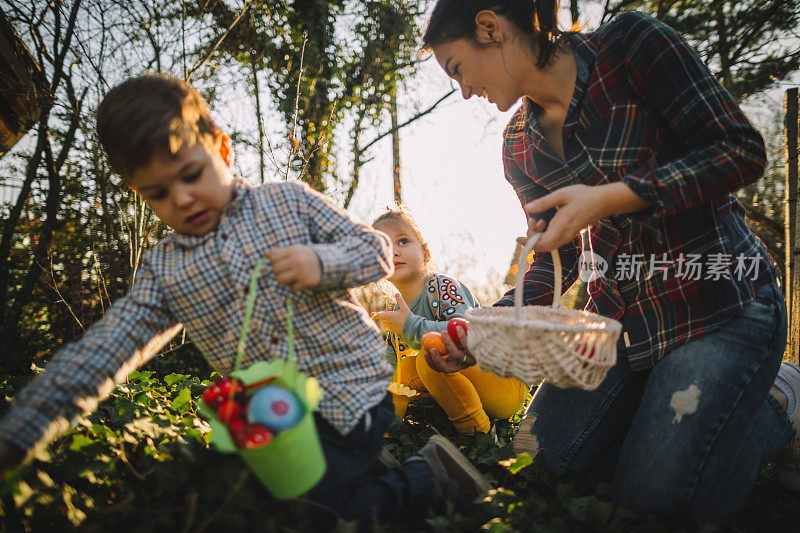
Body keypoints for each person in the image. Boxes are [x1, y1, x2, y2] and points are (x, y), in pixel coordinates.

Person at [0, 74, 491, 528]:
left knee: (309, 516)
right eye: (159, 193)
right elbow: (105, 350)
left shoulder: (286, 203)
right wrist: (21, 431)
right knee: (255, 497)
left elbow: (375, 250)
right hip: (272, 414)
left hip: (350, 391)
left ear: (222, 149)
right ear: (139, 193)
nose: (184, 198)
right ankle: (356, 473)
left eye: (191, 174)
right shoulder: (167, 271)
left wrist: (322, 264)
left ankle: (429, 477)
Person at [419, 0, 800, 528]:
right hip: (614, 329)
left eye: (458, 69)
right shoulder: (519, 147)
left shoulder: (630, 49)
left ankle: (781, 401)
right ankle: (662, 422)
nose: (464, 91)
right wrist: (481, 334)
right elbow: (555, 255)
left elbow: (739, 150)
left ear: (490, 27)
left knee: (652, 505)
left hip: (720, 305)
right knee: (533, 467)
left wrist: (616, 197)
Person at [372, 207, 528, 435]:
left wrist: (409, 325)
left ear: (425, 253)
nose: (393, 252)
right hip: (466, 383)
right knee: (399, 373)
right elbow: (391, 368)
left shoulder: (442, 289)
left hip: (503, 382)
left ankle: (479, 436)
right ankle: (386, 431)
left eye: (402, 241)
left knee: (431, 357)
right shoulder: (397, 313)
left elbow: (465, 334)